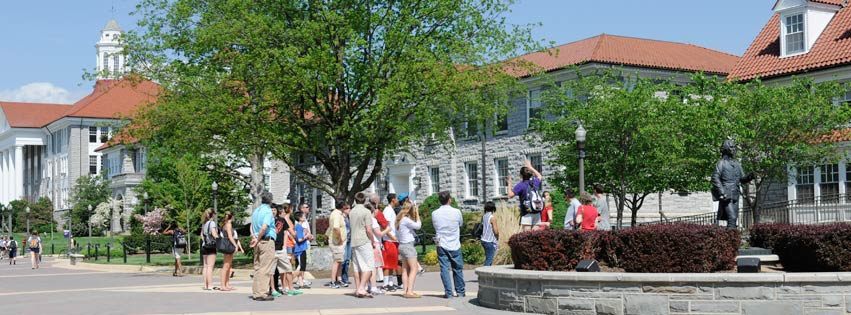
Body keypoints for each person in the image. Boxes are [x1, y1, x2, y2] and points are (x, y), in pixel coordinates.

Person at [711, 140, 754, 229]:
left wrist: (750, 177)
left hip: (735, 193)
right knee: (732, 218)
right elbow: (715, 178)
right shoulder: (721, 163)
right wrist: (722, 192)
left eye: (734, 147)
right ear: (726, 149)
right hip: (726, 194)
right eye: (731, 147)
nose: (734, 149)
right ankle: (730, 238)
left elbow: (742, 179)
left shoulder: (737, 164)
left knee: (734, 219)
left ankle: (731, 238)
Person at [432, 191, 465, 298]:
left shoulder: (434, 213)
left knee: (444, 269)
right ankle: (460, 291)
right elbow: (460, 224)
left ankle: (448, 292)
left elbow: (435, 226)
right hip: (454, 243)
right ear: (449, 199)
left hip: (441, 243)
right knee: (457, 269)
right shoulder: (456, 212)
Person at [250, 191, 277, 301]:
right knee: (265, 267)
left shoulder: (256, 210)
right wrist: (259, 238)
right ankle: (262, 293)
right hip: (266, 240)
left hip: (257, 241)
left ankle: (256, 291)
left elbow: (251, 226)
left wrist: (255, 238)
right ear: (270, 200)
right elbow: (265, 227)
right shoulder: (268, 211)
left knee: (257, 267)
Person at [349, 192, 377, 298]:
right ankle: (361, 288)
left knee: (357, 267)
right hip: (364, 240)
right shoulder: (366, 212)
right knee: (369, 266)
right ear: (364, 200)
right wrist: (373, 240)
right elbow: (369, 230)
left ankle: (358, 288)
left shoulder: (351, 212)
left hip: (354, 240)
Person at [506, 160, 544, 232]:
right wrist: (530, 167)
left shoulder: (521, 185)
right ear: (531, 174)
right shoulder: (534, 182)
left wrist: (509, 183)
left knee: (527, 237)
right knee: (536, 236)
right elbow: (539, 176)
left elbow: (510, 195)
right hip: (537, 211)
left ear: (521, 175)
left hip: (527, 213)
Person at [396, 199, 422, 298]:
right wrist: (417, 212)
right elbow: (418, 226)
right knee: (414, 268)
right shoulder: (406, 220)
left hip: (402, 245)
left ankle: (406, 290)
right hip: (408, 246)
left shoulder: (399, 219)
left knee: (405, 269)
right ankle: (410, 291)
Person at [326, 199, 349, 289]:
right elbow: (336, 228)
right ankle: (333, 281)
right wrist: (339, 239)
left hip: (339, 242)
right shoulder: (336, 215)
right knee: (336, 261)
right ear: (343, 207)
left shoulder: (338, 214)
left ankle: (339, 279)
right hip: (336, 242)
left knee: (340, 261)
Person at [380, 193, 400, 291]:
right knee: (387, 263)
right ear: (393, 200)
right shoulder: (387, 210)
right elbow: (385, 226)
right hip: (389, 240)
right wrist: (392, 237)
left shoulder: (391, 210)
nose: (397, 200)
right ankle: (385, 284)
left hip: (393, 240)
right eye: (396, 198)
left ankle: (391, 282)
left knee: (393, 262)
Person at [220, 211, 242, 291]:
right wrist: (235, 245)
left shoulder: (225, 224)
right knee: (226, 266)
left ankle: (227, 284)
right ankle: (223, 285)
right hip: (228, 245)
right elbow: (230, 236)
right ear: (232, 217)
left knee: (228, 266)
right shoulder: (228, 224)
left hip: (227, 245)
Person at [200, 209, 219, 290]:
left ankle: (205, 285)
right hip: (211, 246)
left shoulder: (204, 224)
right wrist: (220, 238)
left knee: (205, 266)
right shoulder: (212, 223)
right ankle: (210, 285)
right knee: (210, 267)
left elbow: (201, 235)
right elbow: (214, 234)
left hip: (204, 246)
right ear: (213, 215)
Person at [298, 203, 314, 287]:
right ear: (302, 208)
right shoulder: (301, 220)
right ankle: (300, 279)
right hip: (303, 244)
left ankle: (302, 278)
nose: (308, 208)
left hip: (306, 243)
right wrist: (308, 236)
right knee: (301, 263)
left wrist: (310, 236)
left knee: (304, 262)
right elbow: (302, 232)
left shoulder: (305, 220)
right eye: (306, 207)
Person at [293, 211, 311, 289]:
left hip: (301, 249)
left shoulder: (299, 227)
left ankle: (301, 283)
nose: (305, 217)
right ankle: (290, 279)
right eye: (303, 216)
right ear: (300, 218)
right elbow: (299, 239)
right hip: (300, 249)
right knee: (300, 267)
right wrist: (306, 236)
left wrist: (305, 231)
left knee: (301, 266)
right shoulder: (298, 227)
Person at [480, 201, 499, 266]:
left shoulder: (484, 216)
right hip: (489, 241)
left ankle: (485, 273)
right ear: (493, 208)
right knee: (489, 259)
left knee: (488, 258)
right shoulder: (492, 218)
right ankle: (484, 274)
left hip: (483, 239)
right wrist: (497, 237)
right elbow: (496, 231)